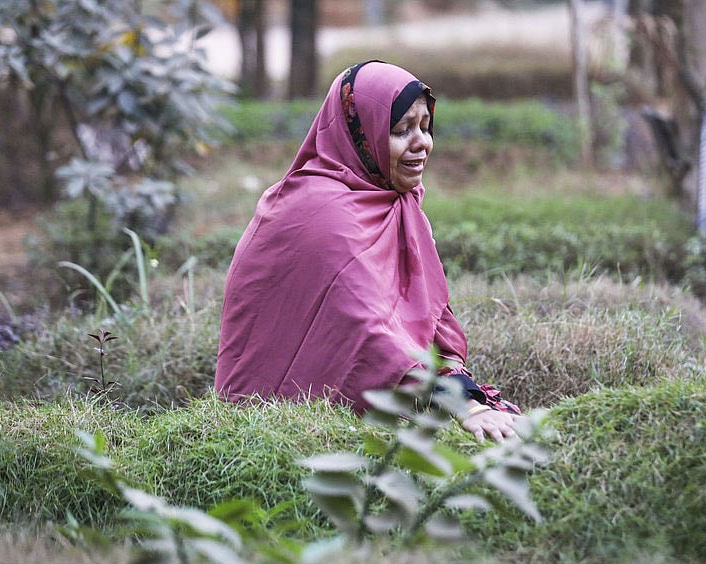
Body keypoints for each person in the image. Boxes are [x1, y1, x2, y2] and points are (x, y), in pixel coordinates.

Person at [215, 61, 520, 442]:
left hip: (353, 400)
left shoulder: (397, 202)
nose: (422, 143)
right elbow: (368, 334)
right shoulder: (320, 212)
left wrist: (463, 390)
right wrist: (458, 402)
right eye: (402, 130)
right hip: (273, 422)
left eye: (425, 127)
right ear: (361, 133)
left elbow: (429, 320)